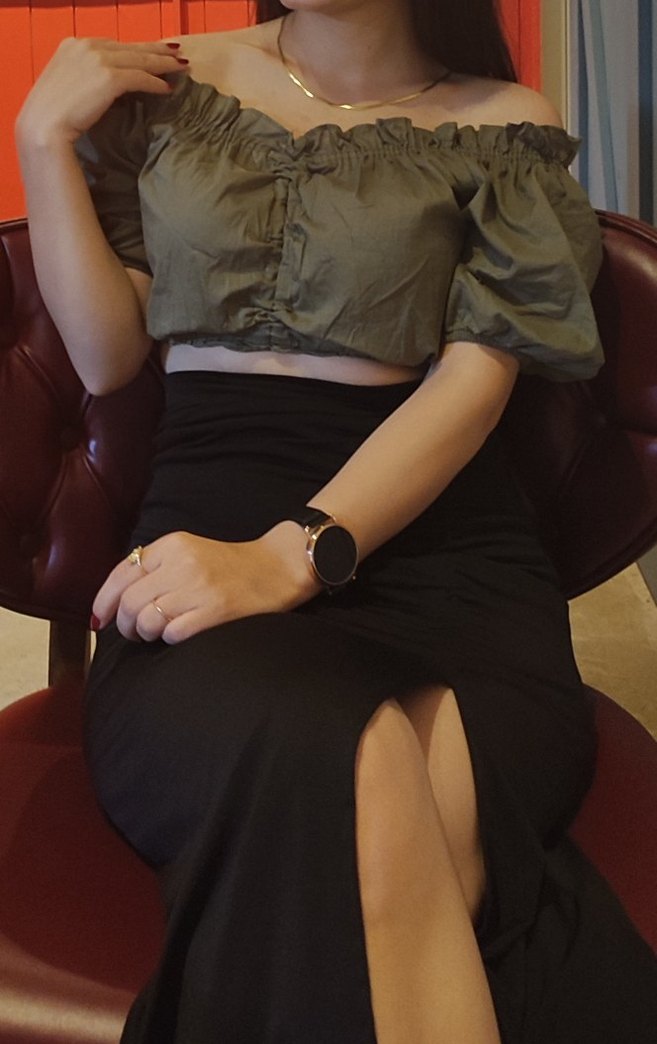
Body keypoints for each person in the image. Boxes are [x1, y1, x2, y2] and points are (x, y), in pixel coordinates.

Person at [15, 1, 657, 1041]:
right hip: (201, 546)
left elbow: (473, 388)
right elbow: (106, 355)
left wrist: (296, 553)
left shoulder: (502, 122)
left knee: (362, 823)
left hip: (448, 565)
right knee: (357, 767)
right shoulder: (168, 85)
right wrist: (41, 140)